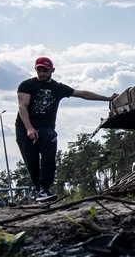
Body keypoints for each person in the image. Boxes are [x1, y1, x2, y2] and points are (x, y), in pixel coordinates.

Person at [15, 56, 116, 203]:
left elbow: (83, 94)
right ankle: (40, 191)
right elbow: (22, 106)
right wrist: (29, 128)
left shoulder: (57, 88)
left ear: (52, 70)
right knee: (32, 162)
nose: (42, 73)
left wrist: (107, 98)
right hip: (25, 127)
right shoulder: (27, 85)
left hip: (46, 128)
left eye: (45, 70)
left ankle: (44, 188)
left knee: (49, 157)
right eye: (39, 70)